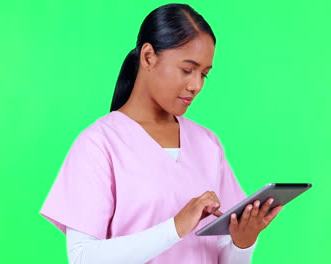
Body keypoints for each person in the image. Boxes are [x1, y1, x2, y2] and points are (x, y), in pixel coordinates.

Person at [40, 3, 283, 263]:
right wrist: (174, 228)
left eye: (204, 74)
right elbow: (82, 257)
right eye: (187, 70)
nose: (196, 85)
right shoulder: (99, 144)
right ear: (148, 57)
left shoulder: (207, 143)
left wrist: (242, 243)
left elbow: (225, 257)